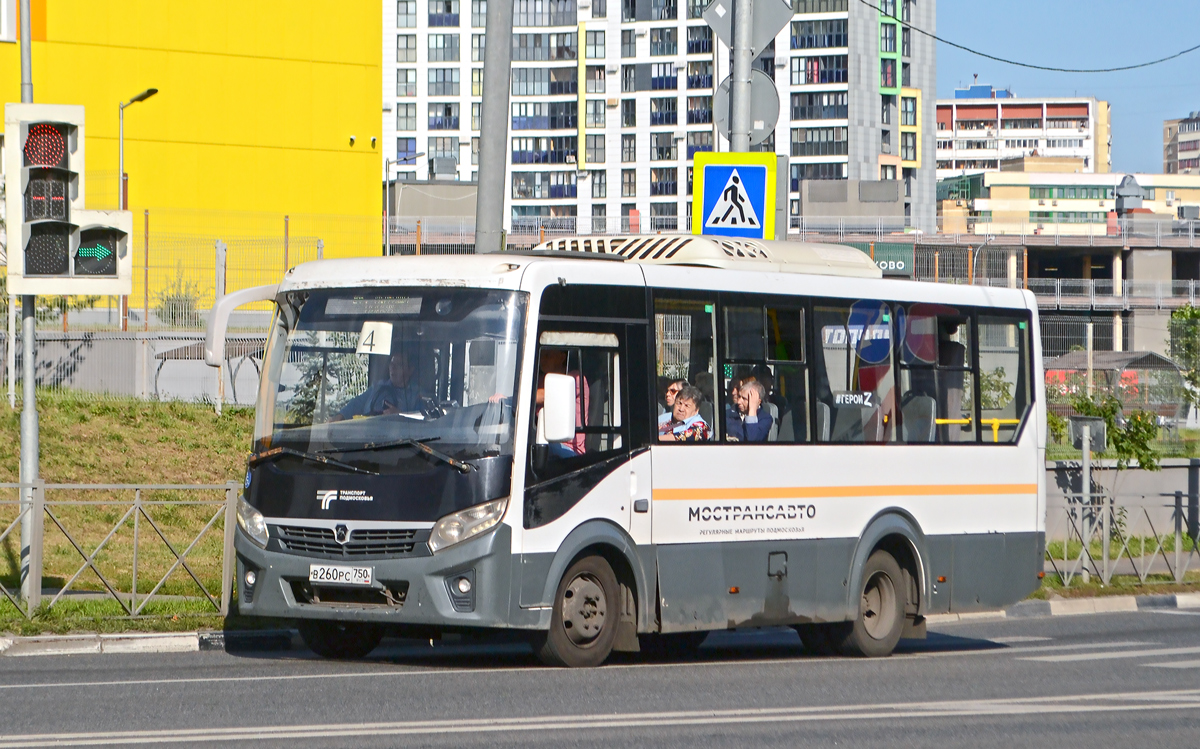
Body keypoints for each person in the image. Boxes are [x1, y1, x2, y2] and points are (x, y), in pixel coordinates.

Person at [333, 349, 423, 420]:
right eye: (391, 363)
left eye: (399, 365)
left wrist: (400, 415)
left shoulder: (417, 395)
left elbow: (423, 420)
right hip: (369, 439)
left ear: (410, 370)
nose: (393, 368)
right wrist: (341, 416)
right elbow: (357, 403)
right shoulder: (377, 387)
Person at [536, 348, 588, 456]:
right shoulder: (539, 380)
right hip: (543, 440)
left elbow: (547, 395)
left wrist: (517, 397)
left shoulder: (576, 378)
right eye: (541, 355)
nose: (542, 360)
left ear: (562, 357)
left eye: (547, 355)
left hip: (569, 449)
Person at [726, 378, 772, 442]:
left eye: (744, 399)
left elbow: (752, 439)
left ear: (757, 402)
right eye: (739, 396)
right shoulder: (728, 414)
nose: (739, 401)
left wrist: (752, 410)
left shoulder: (765, 418)